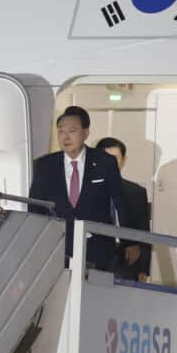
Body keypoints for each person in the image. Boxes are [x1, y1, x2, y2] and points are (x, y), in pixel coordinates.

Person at [29, 106, 126, 270]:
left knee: (95, 294)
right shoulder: (44, 165)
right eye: (60, 131)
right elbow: (35, 209)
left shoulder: (105, 162)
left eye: (72, 131)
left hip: (98, 248)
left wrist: (130, 242)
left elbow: (121, 203)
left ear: (85, 133)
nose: (65, 137)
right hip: (58, 248)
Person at [95, 137, 151, 282]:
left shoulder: (137, 192)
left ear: (124, 160)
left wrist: (143, 269)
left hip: (126, 258)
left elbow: (144, 232)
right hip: (93, 256)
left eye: (115, 158)